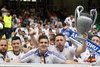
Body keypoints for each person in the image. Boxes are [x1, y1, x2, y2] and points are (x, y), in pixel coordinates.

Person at [11, 35, 78, 64]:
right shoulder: (32, 53)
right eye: (41, 42)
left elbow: (66, 61)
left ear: (48, 44)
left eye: (45, 42)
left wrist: (83, 64)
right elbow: (19, 61)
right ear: (38, 44)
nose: (43, 44)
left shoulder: (53, 54)